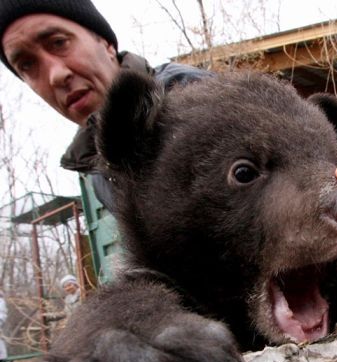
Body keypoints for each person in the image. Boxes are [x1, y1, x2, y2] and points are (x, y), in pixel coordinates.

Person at [0, 0, 211, 212]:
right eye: (27, 65)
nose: (56, 76)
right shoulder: (97, 169)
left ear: (106, 44)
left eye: (59, 43)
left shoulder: (189, 98)